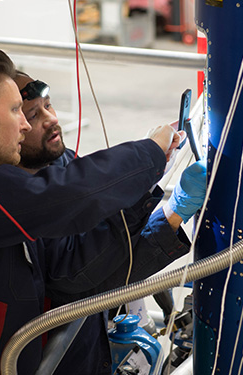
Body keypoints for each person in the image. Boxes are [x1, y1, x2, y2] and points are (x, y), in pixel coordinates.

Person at [0, 46, 206, 375]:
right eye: (18, 110)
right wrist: (149, 155)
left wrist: (168, 210)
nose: (28, 126)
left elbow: (74, 267)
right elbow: (61, 194)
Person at [12, 71, 206, 375]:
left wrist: (173, 213)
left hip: (91, 342)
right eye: (33, 114)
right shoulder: (22, 196)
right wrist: (143, 174)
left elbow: (112, 259)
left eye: (48, 105)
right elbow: (79, 276)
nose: (50, 119)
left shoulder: (58, 160)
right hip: (61, 359)